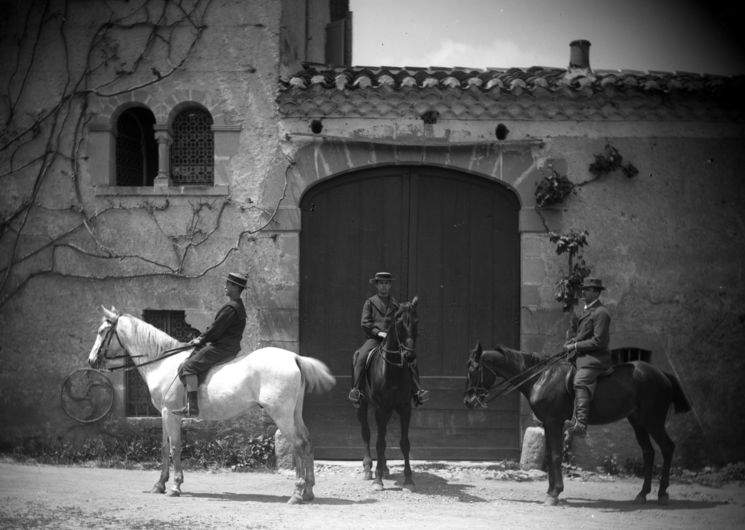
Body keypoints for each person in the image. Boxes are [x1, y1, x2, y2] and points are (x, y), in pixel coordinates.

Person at [348, 272, 429, 408]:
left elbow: (402, 322)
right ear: (377, 285)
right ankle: (356, 390)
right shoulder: (370, 303)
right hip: (374, 339)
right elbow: (365, 323)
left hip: (393, 341)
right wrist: (379, 333)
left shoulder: (395, 304)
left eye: (386, 284)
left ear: (390, 285)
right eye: (381, 284)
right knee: (360, 356)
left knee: (410, 359)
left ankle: (417, 392)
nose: (384, 287)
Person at [175, 272, 248, 417]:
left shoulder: (231, 308)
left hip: (222, 347)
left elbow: (216, 329)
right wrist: (202, 338)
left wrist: (200, 340)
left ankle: (192, 407)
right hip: (228, 346)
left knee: (188, 366)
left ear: (235, 287)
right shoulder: (237, 306)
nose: (225, 286)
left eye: (228, 284)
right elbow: (216, 328)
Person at [562, 277, 612, 437]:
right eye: (583, 289)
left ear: (597, 292)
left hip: (595, 358)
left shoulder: (601, 312)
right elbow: (583, 335)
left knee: (581, 380)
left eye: (588, 289)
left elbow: (599, 341)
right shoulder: (587, 311)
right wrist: (573, 340)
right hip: (582, 356)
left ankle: (581, 424)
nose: (583, 291)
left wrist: (575, 346)